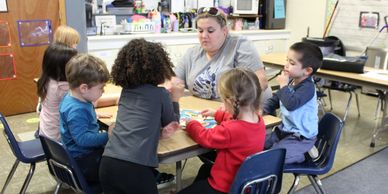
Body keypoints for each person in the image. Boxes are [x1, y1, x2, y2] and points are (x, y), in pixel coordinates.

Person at [99, 38, 184, 194]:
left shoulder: (125, 91)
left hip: (107, 164)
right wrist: (175, 99)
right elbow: (173, 125)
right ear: (160, 68)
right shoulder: (161, 94)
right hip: (135, 170)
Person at [178, 68, 266, 194]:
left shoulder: (231, 130)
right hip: (242, 181)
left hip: (224, 187)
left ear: (231, 102)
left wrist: (191, 124)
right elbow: (234, 120)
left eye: (223, 100)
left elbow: (206, 138)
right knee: (205, 169)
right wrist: (217, 114)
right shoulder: (258, 120)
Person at [174, 7, 272, 102]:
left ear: (224, 31)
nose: (204, 36)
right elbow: (174, 82)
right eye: (200, 31)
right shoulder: (192, 53)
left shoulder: (240, 45)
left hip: (245, 111)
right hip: (208, 111)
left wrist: (230, 107)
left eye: (210, 31)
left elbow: (261, 82)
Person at [263, 42, 323, 164]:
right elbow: (276, 99)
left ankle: (303, 155)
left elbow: (291, 104)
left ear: (307, 70)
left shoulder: (307, 88)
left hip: (301, 137)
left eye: (292, 63)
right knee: (257, 145)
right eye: (287, 61)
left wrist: (283, 85)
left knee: (273, 158)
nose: (286, 66)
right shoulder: (292, 81)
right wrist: (263, 109)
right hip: (285, 131)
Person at [59, 53, 112, 190]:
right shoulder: (77, 110)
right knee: (122, 164)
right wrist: (108, 135)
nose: (103, 91)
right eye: (101, 88)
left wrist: (94, 116)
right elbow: (82, 139)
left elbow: (79, 122)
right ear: (84, 88)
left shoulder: (73, 98)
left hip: (77, 157)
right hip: (84, 162)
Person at [37, 43, 78, 142]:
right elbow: (87, 102)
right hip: (58, 139)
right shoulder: (63, 88)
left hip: (45, 133)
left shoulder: (46, 80)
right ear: (64, 67)